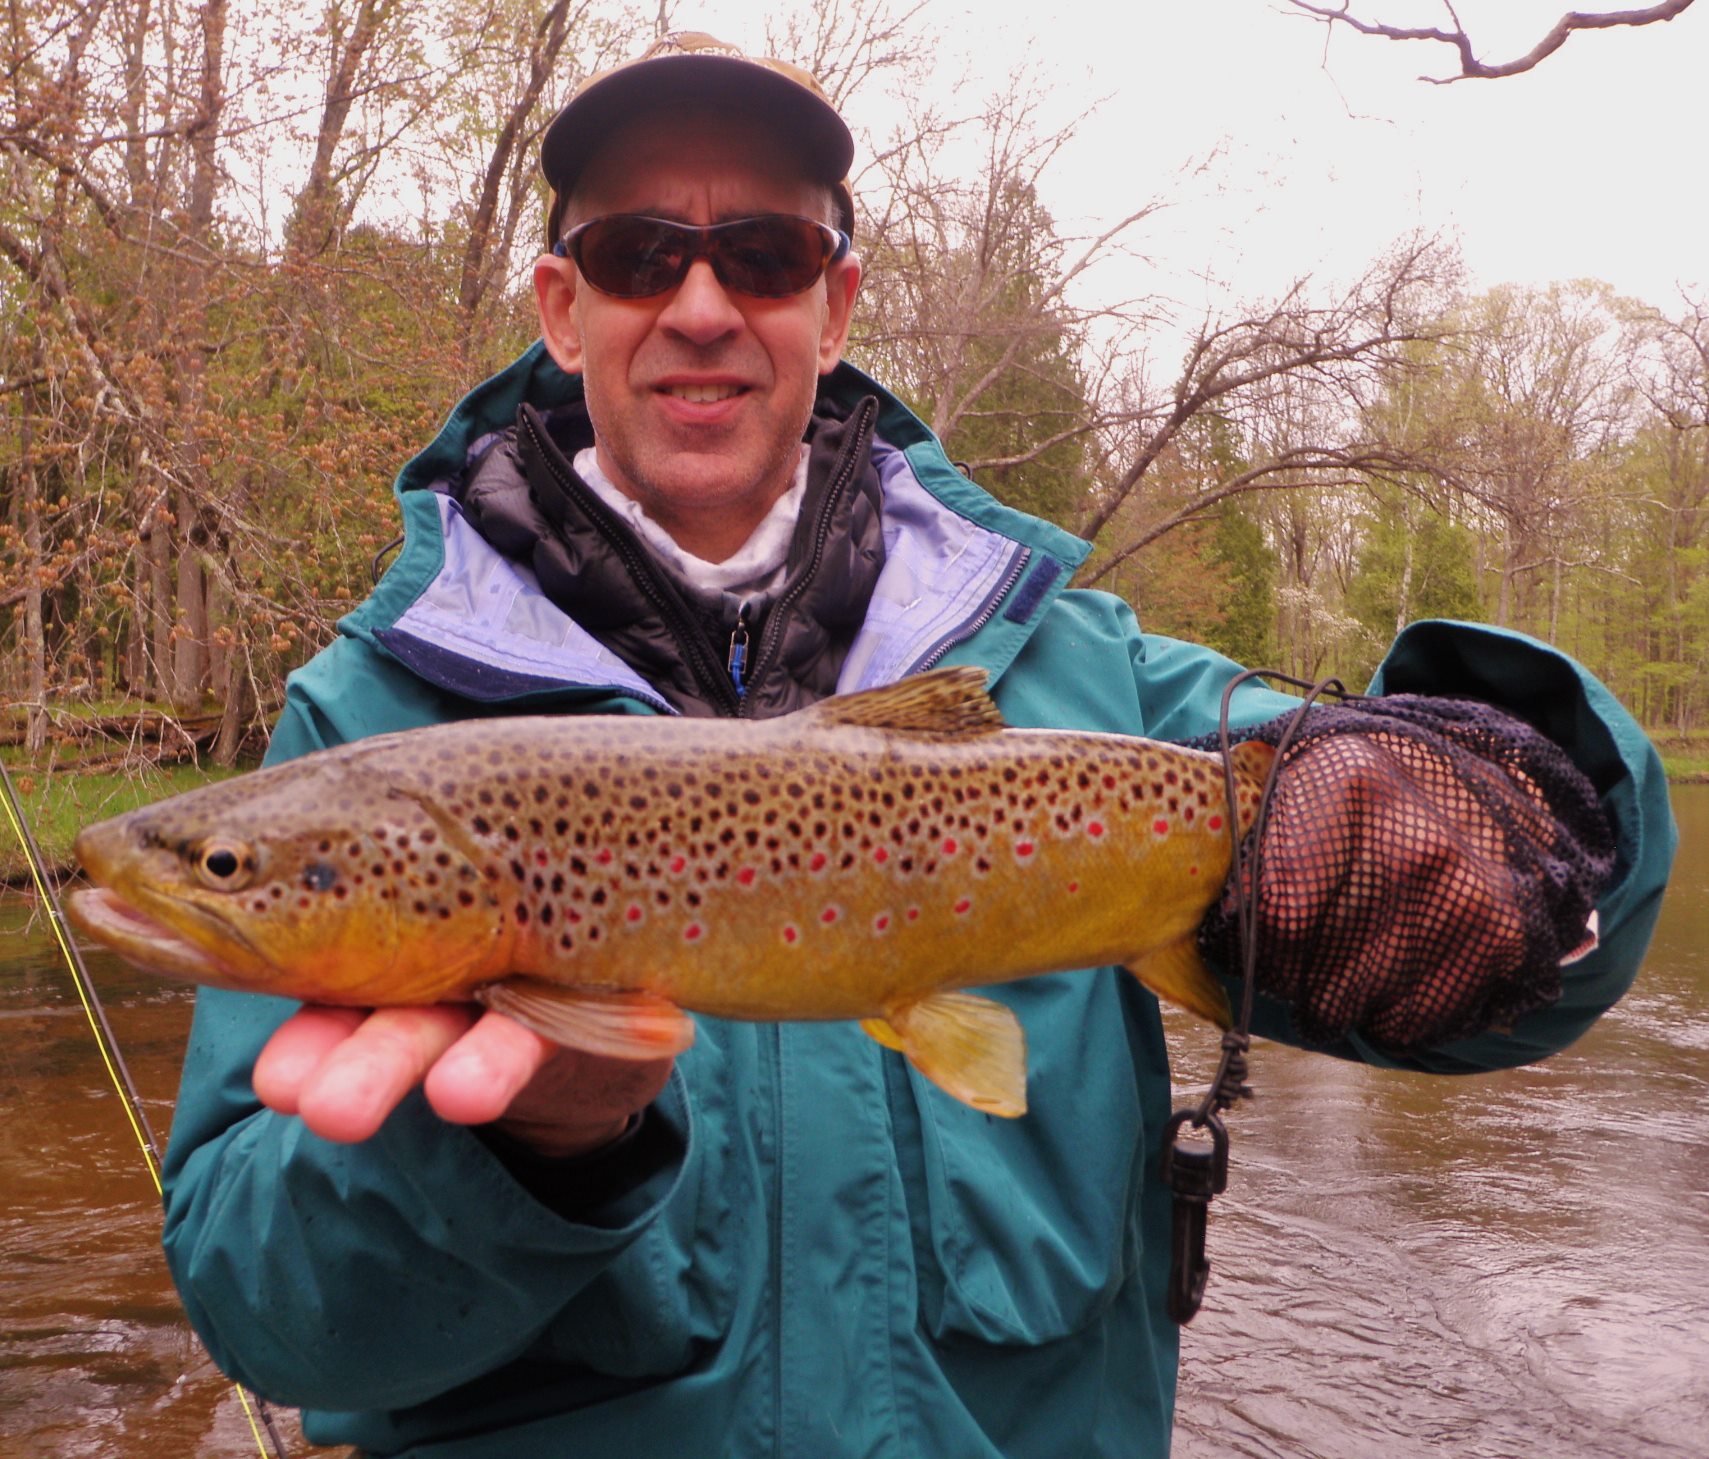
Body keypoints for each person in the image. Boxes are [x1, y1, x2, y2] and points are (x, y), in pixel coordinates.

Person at [160, 32, 1674, 1458]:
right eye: (639, 255)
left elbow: (1549, 959)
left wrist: (1476, 804)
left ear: (835, 305)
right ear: (562, 309)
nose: (701, 307)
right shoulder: (368, 728)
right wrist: (527, 1154)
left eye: (764, 254)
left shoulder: (1096, 686)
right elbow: (276, 1326)